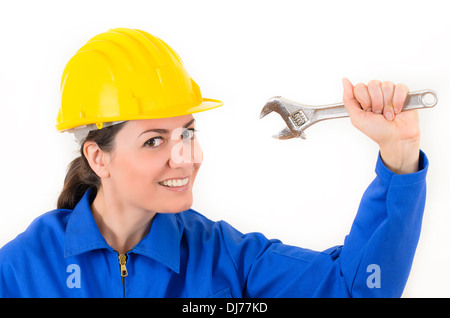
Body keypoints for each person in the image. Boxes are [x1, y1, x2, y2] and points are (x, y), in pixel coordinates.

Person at [0, 28, 428, 298]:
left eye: (187, 132)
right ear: (98, 157)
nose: (186, 156)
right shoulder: (20, 270)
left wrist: (400, 154)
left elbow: (356, 290)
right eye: (154, 141)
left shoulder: (225, 259)